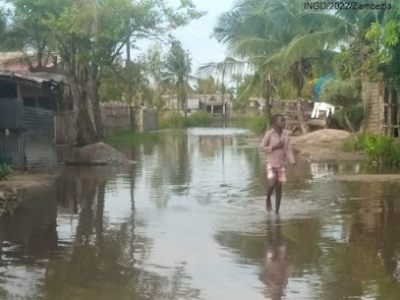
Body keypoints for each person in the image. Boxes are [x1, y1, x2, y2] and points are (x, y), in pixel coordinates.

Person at [258, 114, 295, 214]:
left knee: (279, 188)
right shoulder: (269, 134)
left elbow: (288, 150)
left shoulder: (285, 135)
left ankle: (277, 213)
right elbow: (261, 148)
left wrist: (292, 162)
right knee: (272, 182)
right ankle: (268, 198)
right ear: (275, 123)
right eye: (281, 121)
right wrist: (275, 147)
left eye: (284, 121)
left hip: (281, 164)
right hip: (270, 162)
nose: (284, 123)